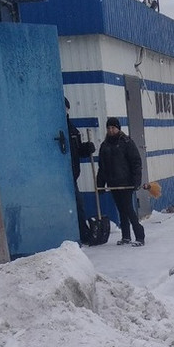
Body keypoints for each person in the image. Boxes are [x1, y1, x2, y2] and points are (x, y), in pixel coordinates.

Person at [97, 117, 145, 247]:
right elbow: (102, 166)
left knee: (128, 209)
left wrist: (136, 180)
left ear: (118, 128)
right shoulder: (105, 146)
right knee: (121, 210)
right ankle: (126, 236)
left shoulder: (126, 142)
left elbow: (136, 162)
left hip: (125, 182)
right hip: (113, 183)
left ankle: (140, 236)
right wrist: (100, 183)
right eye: (109, 128)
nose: (111, 130)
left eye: (113, 128)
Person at [65, 97, 95, 245]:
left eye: (66, 108)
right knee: (75, 205)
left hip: (72, 175)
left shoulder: (71, 129)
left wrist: (86, 148)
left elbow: (76, 151)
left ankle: (84, 234)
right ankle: (79, 234)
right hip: (62, 176)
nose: (65, 111)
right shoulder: (56, 128)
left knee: (79, 205)